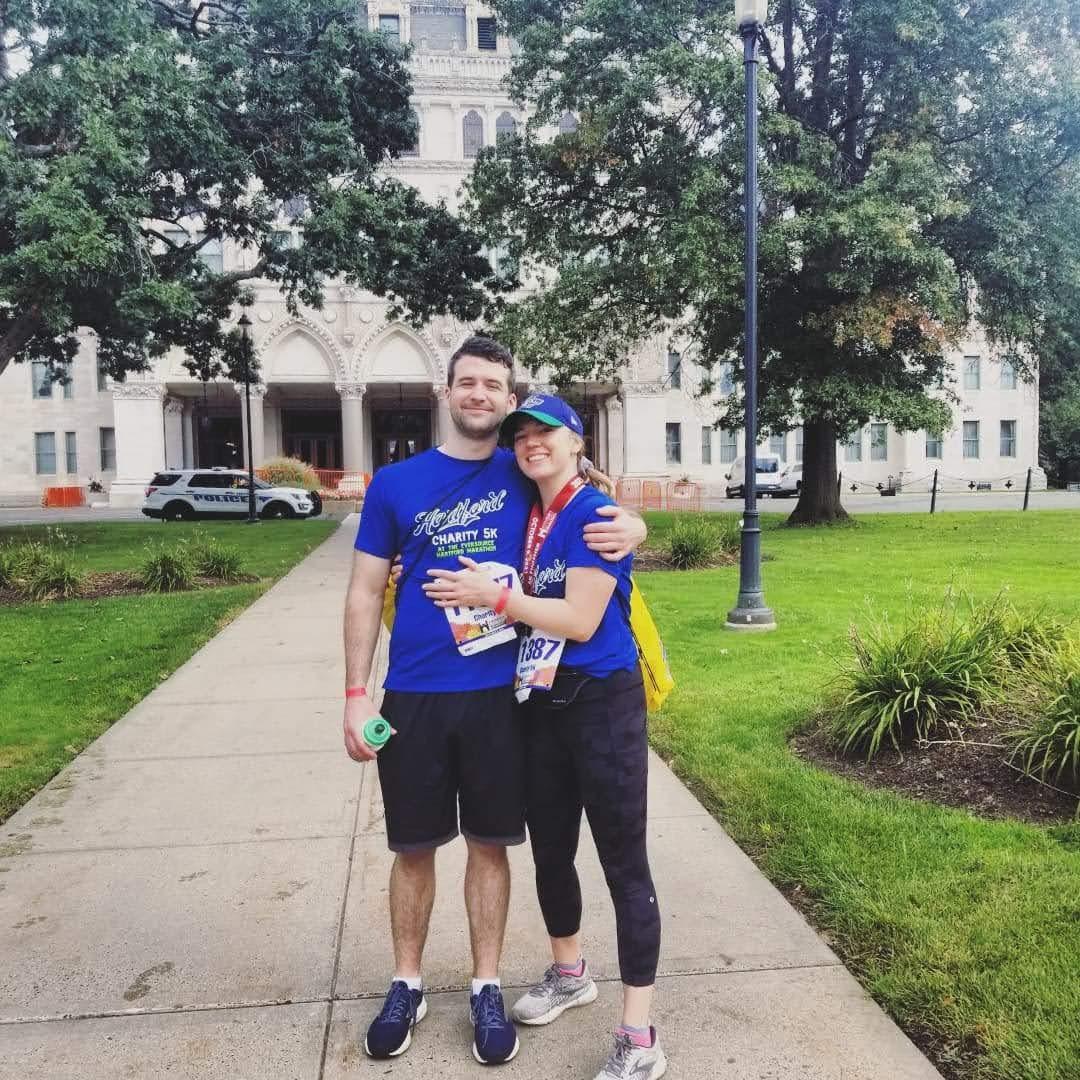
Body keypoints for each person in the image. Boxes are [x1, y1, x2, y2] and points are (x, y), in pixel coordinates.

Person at [342, 337, 646, 1066]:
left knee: (491, 845)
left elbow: (591, 496)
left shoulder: (526, 467)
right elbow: (360, 591)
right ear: (446, 393)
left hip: (502, 698)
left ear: (510, 403)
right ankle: (407, 982)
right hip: (413, 691)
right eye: (467, 383)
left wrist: (636, 524)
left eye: (493, 387)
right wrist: (356, 694)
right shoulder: (396, 483)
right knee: (412, 848)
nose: (479, 395)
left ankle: (484, 985)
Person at [423, 393, 665, 1080]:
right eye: (521, 435)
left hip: (601, 705)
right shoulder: (526, 512)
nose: (532, 443)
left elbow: (581, 620)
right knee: (551, 852)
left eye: (546, 433)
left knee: (624, 864)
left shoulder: (595, 517)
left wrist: (492, 599)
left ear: (577, 441)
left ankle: (638, 1034)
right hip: (540, 703)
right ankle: (569, 972)